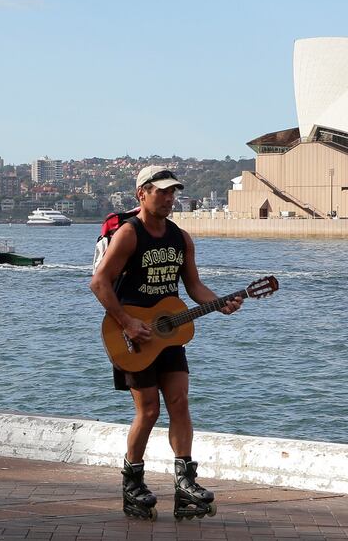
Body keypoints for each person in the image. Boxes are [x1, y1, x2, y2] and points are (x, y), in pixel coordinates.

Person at [90, 165, 242, 521]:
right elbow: (99, 283)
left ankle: (186, 484)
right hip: (131, 337)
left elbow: (194, 287)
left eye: (173, 192)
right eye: (162, 192)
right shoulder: (130, 234)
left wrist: (220, 302)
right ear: (142, 193)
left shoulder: (181, 237)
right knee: (148, 411)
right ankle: (133, 484)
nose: (169, 198)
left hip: (169, 333)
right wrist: (127, 323)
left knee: (179, 402)